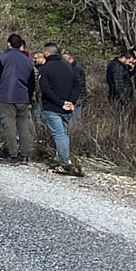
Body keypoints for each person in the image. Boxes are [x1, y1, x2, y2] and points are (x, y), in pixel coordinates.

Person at [39, 43, 83, 176]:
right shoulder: (68, 66)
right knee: (64, 133)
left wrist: (60, 102)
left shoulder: (46, 68)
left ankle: (65, 162)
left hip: (53, 106)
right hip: (68, 106)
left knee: (59, 134)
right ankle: (61, 158)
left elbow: (45, 88)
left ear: (46, 53)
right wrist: (71, 101)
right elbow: (77, 84)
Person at [0, 34, 36, 165]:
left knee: (9, 126)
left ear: (8, 44)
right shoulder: (28, 60)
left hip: (7, 96)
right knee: (23, 126)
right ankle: (25, 154)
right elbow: (31, 82)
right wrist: (28, 95)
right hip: (23, 96)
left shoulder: (3, 57)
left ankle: (13, 155)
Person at [62, 52, 86, 133]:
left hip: (77, 97)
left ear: (69, 59)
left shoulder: (75, 69)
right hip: (77, 96)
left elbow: (77, 84)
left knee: (76, 118)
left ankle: (78, 134)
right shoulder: (72, 68)